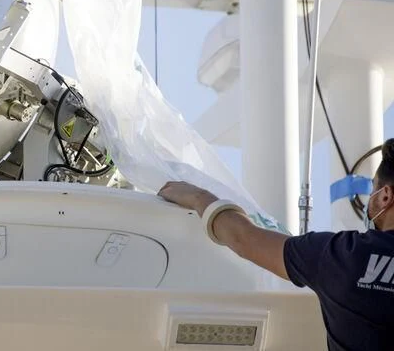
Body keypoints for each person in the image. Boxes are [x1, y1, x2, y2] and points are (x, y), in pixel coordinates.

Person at [158, 139, 394, 351]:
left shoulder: (344, 254)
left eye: (372, 189)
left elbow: (244, 238)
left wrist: (200, 198)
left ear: (385, 196)